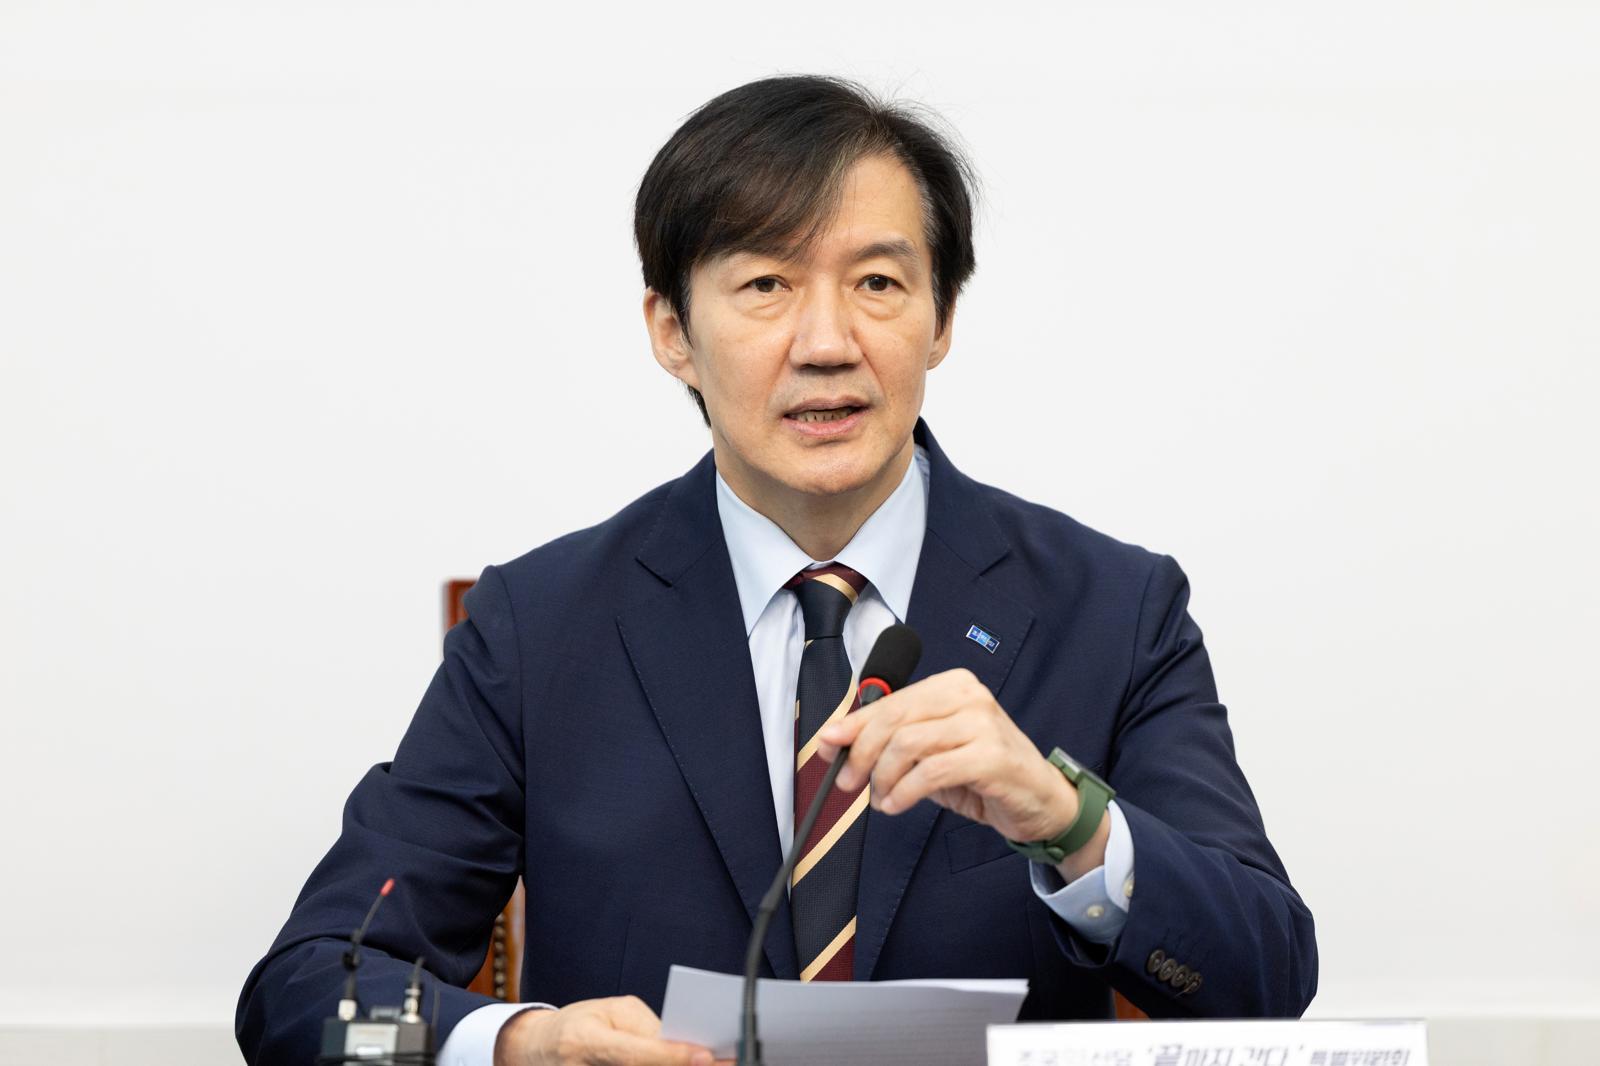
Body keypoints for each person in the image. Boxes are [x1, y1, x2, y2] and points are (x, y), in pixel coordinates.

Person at [237, 75, 1317, 1066]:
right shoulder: (539, 626)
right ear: (672, 330)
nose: (826, 341)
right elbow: (304, 994)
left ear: (941, 318)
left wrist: (1065, 819)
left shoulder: (1113, 611)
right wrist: (520, 1042)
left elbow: (1266, 978)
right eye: (765, 283)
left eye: (878, 282)